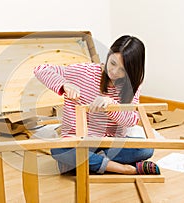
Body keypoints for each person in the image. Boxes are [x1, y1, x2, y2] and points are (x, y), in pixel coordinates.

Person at [34, 35, 160, 175]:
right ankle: (122, 168)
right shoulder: (85, 72)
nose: (113, 71)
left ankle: (86, 163)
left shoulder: (132, 86)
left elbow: (131, 120)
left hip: (109, 143)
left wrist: (111, 106)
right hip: (79, 141)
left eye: (122, 70)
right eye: (112, 63)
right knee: (58, 150)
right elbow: (41, 69)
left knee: (146, 149)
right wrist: (64, 84)